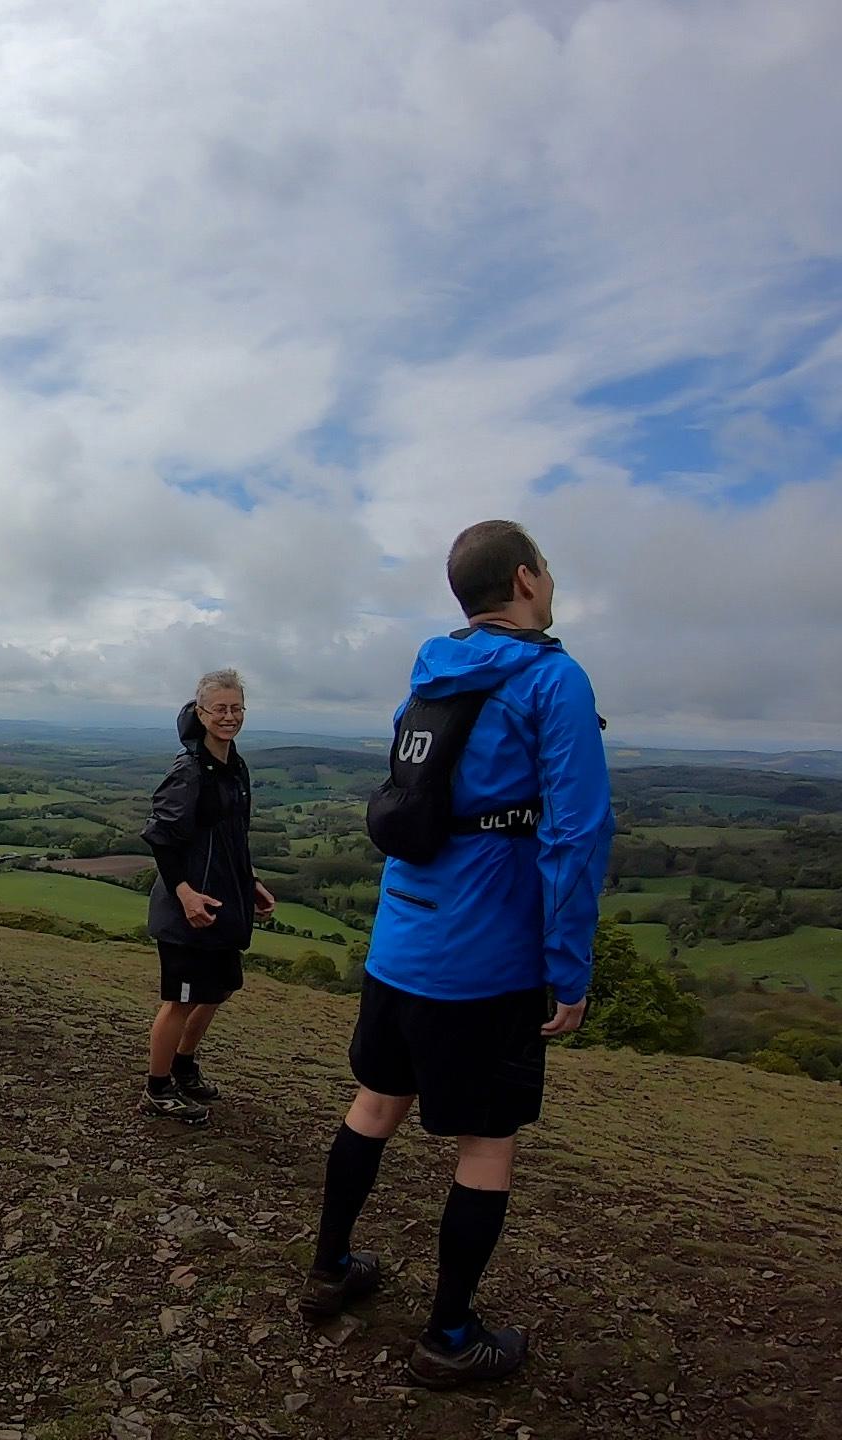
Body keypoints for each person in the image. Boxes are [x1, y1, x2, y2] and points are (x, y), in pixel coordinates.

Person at [298, 520, 612, 1390]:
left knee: (376, 1102)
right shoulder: (552, 678)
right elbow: (578, 835)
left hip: (402, 943)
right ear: (525, 578)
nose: (550, 581)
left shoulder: (429, 674)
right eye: (547, 569)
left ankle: (329, 1270)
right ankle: (448, 1335)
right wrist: (570, 967)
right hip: (487, 957)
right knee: (485, 1143)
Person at [138, 670, 275, 1125]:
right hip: (186, 909)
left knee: (216, 990)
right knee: (179, 998)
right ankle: (157, 1090)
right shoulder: (190, 769)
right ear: (201, 713)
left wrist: (248, 881)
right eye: (220, 709)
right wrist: (184, 894)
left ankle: (183, 1065)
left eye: (236, 708)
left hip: (221, 900)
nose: (229, 716)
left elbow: (232, 836)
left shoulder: (234, 766)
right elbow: (162, 838)